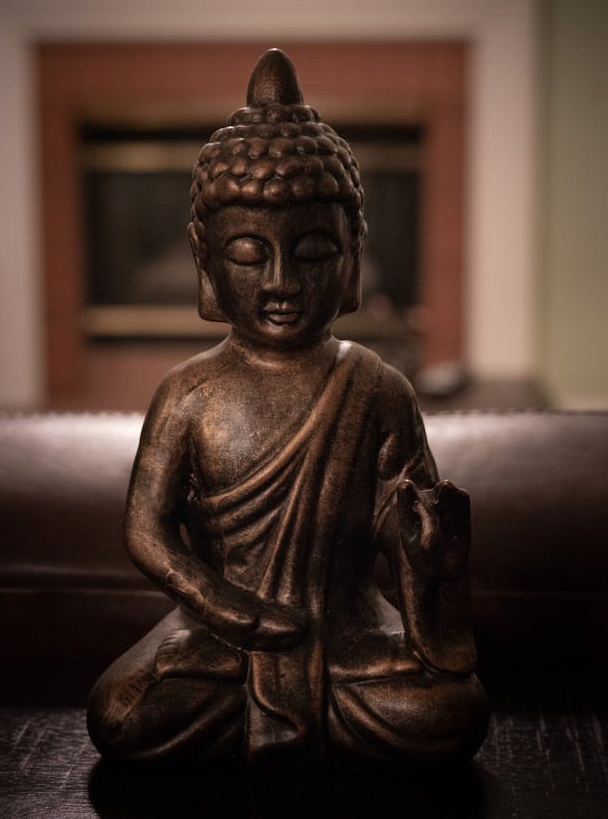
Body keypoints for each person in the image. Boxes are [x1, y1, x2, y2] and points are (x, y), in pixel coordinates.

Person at [87, 50, 487, 766]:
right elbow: (147, 529)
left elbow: (399, 526)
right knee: (121, 715)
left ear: (353, 258)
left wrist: (430, 558)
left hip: (348, 634)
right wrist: (219, 604)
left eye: (310, 252)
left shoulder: (378, 389)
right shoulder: (187, 393)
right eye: (247, 253)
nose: (280, 281)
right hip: (221, 637)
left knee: (452, 713)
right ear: (204, 262)